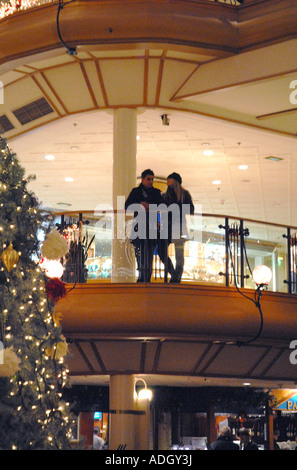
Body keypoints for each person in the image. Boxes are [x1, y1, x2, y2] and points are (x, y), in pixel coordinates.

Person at [125, 169, 164, 282]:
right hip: (138, 228)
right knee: (140, 258)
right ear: (142, 179)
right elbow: (127, 206)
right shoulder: (136, 192)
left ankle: (146, 281)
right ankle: (141, 279)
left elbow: (162, 207)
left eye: (152, 179)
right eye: (148, 179)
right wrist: (139, 205)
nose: (151, 181)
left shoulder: (156, 193)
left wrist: (150, 206)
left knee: (148, 258)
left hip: (151, 229)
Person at [159, 172, 194, 283]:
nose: (167, 182)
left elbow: (191, 210)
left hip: (176, 227)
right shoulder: (166, 195)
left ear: (175, 181)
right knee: (164, 251)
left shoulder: (183, 194)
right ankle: (175, 275)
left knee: (177, 254)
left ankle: (176, 276)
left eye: (169, 180)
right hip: (170, 227)